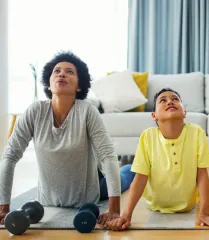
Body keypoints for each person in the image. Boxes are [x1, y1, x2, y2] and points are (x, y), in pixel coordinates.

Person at [0, 51, 135, 226]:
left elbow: (108, 156)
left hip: (90, 191)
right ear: (48, 84)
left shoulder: (87, 111)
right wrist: (3, 208)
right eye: (56, 71)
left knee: (127, 174)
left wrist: (114, 210)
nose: (61, 74)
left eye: (70, 72)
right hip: (48, 200)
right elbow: (9, 157)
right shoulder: (34, 112)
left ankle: (132, 168)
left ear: (79, 86)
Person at [105, 88, 209, 231]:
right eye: (163, 100)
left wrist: (204, 213)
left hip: (187, 205)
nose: (170, 102)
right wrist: (126, 215)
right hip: (155, 204)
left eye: (175, 99)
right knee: (132, 171)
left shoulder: (197, 132)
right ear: (154, 115)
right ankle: (127, 169)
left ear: (184, 113)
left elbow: (202, 174)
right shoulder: (147, 136)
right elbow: (141, 177)